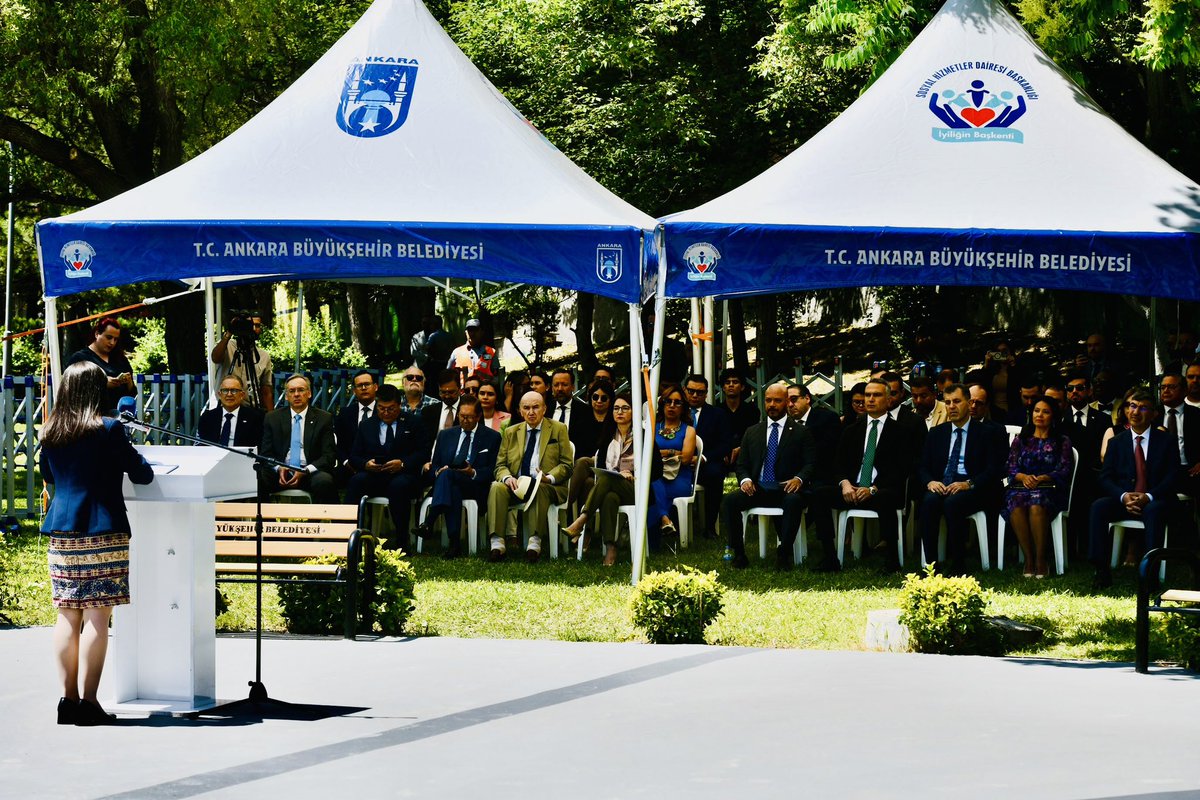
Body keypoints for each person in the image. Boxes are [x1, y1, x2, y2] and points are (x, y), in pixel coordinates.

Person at [40, 361, 154, 725]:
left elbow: (47, 473)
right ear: (96, 390)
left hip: (62, 532)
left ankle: (67, 700)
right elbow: (142, 474)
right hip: (102, 530)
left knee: (67, 614)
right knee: (97, 616)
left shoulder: (50, 430)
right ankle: (90, 703)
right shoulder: (109, 428)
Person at [823, 378, 917, 572]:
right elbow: (838, 464)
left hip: (882, 489)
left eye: (877, 395)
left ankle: (892, 560)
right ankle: (830, 557)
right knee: (819, 495)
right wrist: (845, 484)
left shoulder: (901, 432)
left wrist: (873, 489)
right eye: (867, 395)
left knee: (885, 497)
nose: (871, 399)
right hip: (852, 489)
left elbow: (902, 469)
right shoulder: (851, 430)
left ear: (889, 399)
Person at [1090, 389, 1179, 589]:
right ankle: (1101, 570)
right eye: (1132, 406)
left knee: (1154, 510)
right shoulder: (1116, 442)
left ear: (1154, 414)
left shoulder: (1166, 441)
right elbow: (1105, 478)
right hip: (1125, 500)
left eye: (1143, 408)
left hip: (1155, 500)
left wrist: (1148, 496)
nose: (1136, 412)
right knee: (1098, 507)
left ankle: (1150, 574)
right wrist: (1123, 496)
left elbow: (1173, 477)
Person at [722, 383, 818, 570]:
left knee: (793, 502)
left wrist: (798, 479)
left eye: (777, 400)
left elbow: (810, 463)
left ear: (787, 402)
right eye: (768, 400)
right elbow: (742, 464)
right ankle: (739, 553)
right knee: (730, 501)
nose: (772, 404)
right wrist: (745, 480)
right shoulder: (752, 431)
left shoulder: (801, 431)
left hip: (787, 488)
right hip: (759, 488)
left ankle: (784, 554)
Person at [917, 383, 1005, 575]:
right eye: (947, 402)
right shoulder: (937, 433)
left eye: (956, 401)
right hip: (942, 484)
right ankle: (931, 566)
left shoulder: (986, 433)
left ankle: (958, 565)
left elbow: (994, 469)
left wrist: (968, 484)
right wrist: (930, 482)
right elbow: (922, 466)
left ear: (968, 402)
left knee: (953, 503)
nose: (951, 406)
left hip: (973, 487)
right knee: (929, 502)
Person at [487, 390, 574, 563]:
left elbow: (567, 464)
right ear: (520, 411)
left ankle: (534, 543)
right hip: (518, 485)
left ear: (544, 409)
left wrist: (549, 477)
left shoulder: (558, 429)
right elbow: (500, 465)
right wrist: (507, 478)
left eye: (536, 407)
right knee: (496, 487)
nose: (531, 412)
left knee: (539, 487)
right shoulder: (511, 432)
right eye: (526, 408)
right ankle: (497, 543)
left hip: (548, 486)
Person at [345, 384, 429, 551]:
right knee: (356, 481)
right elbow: (354, 456)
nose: (385, 413)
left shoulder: (413, 422)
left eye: (390, 409)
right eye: (381, 408)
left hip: (404, 475)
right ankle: (348, 535)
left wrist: (403, 463)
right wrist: (366, 464)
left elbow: (424, 452)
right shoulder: (367, 425)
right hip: (375, 475)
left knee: (399, 486)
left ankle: (402, 541)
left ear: (399, 405)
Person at [417, 396, 500, 558]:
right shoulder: (446, 435)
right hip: (449, 483)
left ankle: (429, 521)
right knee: (451, 484)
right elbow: (435, 465)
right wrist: (438, 471)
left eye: (469, 417)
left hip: (475, 486)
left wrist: (472, 472)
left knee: (448, 477)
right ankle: (454, 544)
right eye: (462, 416)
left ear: (478, 416)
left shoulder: (492, 437)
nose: (465, 420)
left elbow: (493, 470)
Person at [1003, 397, 1074, 577]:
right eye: (1036, 410)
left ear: (1053, 416)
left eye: (1045, 412)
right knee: (1016, 501)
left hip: (1050, 488)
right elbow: (1010, 467)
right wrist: (1023, 477)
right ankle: (1029, 558)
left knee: (1036, 502)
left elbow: (1064, 469)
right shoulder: (1021, 439)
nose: (1039, 415)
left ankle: (1041, 559)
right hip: (1022, 487)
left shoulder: (1062, 441)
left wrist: (1043, 477)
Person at [258, 374, 337, 502]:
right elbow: (266, 454)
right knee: (259, 478)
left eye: (301, 390)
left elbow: (329, 456)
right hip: (281, 471)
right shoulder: (272, 418)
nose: (296, 394)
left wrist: (306, 470)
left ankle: (318, 516)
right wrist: (279, 467)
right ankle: (264, 516)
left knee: (324, 481)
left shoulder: (323, 418)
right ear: (286, 396)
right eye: (292, 391)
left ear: (309, 393)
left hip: (309, 472)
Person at [683, 374, 731, 540]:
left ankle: (710, 526)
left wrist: (702, 458)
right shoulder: (675, 411)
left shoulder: (718, 414)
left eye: (700, 392)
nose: (695, 395)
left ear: (706, 393)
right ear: (684, 390)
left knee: (715, 474)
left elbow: (725, 444)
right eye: (691, 391)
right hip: (677, 464)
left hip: (705, 464)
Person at [651, 384, 697, 548]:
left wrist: (662, 452)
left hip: (679, 479)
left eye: (677, 402)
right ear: (662, 404)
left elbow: (686, 459)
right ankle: (664, 519)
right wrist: (674, 452)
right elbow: (645, 454)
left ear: (683, 407)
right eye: (668, 401)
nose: (672, 406)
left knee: (651, 487)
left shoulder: (689, 430)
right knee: (652, 483)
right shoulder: (652, 427)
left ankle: (655, 534)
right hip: (657, 477)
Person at [566, 379, 615, 519]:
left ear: (610, 400)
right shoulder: (581, 419)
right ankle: (584, 528)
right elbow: (574, 448)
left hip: (606, 466)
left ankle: (565, 507)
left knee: (583, 462)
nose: (599, 401)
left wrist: (596, 459)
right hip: (584, 471)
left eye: (604, 398)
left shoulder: (614, 421)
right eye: (595, 397)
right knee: (587, 482)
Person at [67, 317, 135, 415]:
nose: (112, 342)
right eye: (109, 337)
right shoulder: (80, 358)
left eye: (116, 339)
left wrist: (129, 383)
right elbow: (72, 389)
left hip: (119, 417)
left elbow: (132, 394)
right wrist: (102, 383)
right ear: (97, 334)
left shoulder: (121, 359)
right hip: (90, 417)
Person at [210, 311, 273, 409]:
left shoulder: (263, 356)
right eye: (250, 325)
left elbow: (266, 390)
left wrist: (271, 415)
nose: (253, 329)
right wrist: (229, 332)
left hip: (249, 409)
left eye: (257, 325)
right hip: (223, 407)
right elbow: (215, 358)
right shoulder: (227, 345)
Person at [197, 375, 265, 448]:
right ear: (220, 394)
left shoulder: (255, 418)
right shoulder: (207, 417)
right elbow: (201, 446)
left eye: (234, 391)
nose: (229, 394)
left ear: (242, 395)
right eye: (225, 391)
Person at [334, 370, 379, 479]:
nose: (363, 388)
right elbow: (338, 444)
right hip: (349, 467)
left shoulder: (384, 411)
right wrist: (346, 462)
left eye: (367, 384)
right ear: (354, 391)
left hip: (377, 467)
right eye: (359, 385)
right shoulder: (345, 413)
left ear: (375, 387)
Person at [549, 368, 597, 454]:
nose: (560, 389)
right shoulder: (545, 410)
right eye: (556, 385)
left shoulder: (585, 411)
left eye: (564, 385)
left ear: (573, 387)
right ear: (552, 388)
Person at [718, 368, 759, 465]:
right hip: (722, 457)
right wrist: (721, 452)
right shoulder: (717, 411)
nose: (731, 385)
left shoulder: (752, 411)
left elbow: (754, 437)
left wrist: (741, 448)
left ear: (742, 387)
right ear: (723, 387)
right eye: (727, 382)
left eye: (735, 382)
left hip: (747, 455)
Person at [420, 368, 462, 441]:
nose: (447, 396)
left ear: (459, 389)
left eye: (451, 392)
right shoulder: (428, 412)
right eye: (443, 392)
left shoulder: (468, 409)